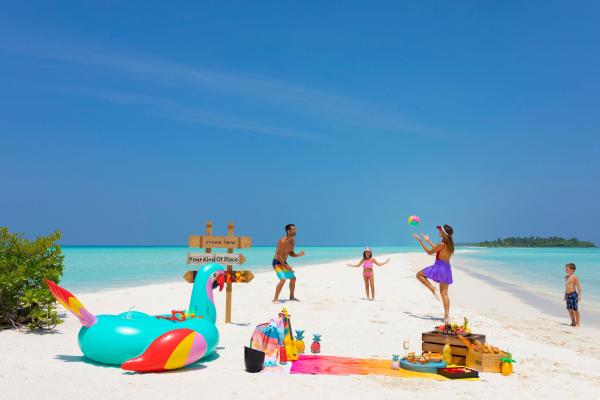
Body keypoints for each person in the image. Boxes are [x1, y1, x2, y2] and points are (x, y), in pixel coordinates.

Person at [413, 224, 455, 323]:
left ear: (443, 233)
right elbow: (438, 250)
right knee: (444, 294)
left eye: (440, 231)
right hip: (447, 268)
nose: (439, 232)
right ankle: (447, 316)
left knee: (419, 275)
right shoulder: (450, 244)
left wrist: (421, 241)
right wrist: (428, 240)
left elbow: (429, 252)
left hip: (439, 267)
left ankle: (432, 288)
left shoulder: (442, 244)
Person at [272, 224, 305, 303]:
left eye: (295, 229)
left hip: (284, 262)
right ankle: (275, 299)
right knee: (283, 280)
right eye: (293, 229)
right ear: (288, 231)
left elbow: (291, 253)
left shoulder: (292, 241)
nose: (295, 231)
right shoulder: (282, 241)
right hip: (277, 262)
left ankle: (291, 297)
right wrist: (287, 267)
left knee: (293, 279)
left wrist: (298, 255)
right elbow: (279, 256)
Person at [564, 263, 582, 327]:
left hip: (573, 294)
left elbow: (578, 286)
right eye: (565, 269)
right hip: (568, 295)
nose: (565, 270)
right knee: (569, 309)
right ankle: (573, 322)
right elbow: (566, 287)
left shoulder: (575, 277)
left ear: (572, 270)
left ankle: (578, 323)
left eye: (567, 269)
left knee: (575, 309)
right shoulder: (566, 277)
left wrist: (579, 295)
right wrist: (565, 295)